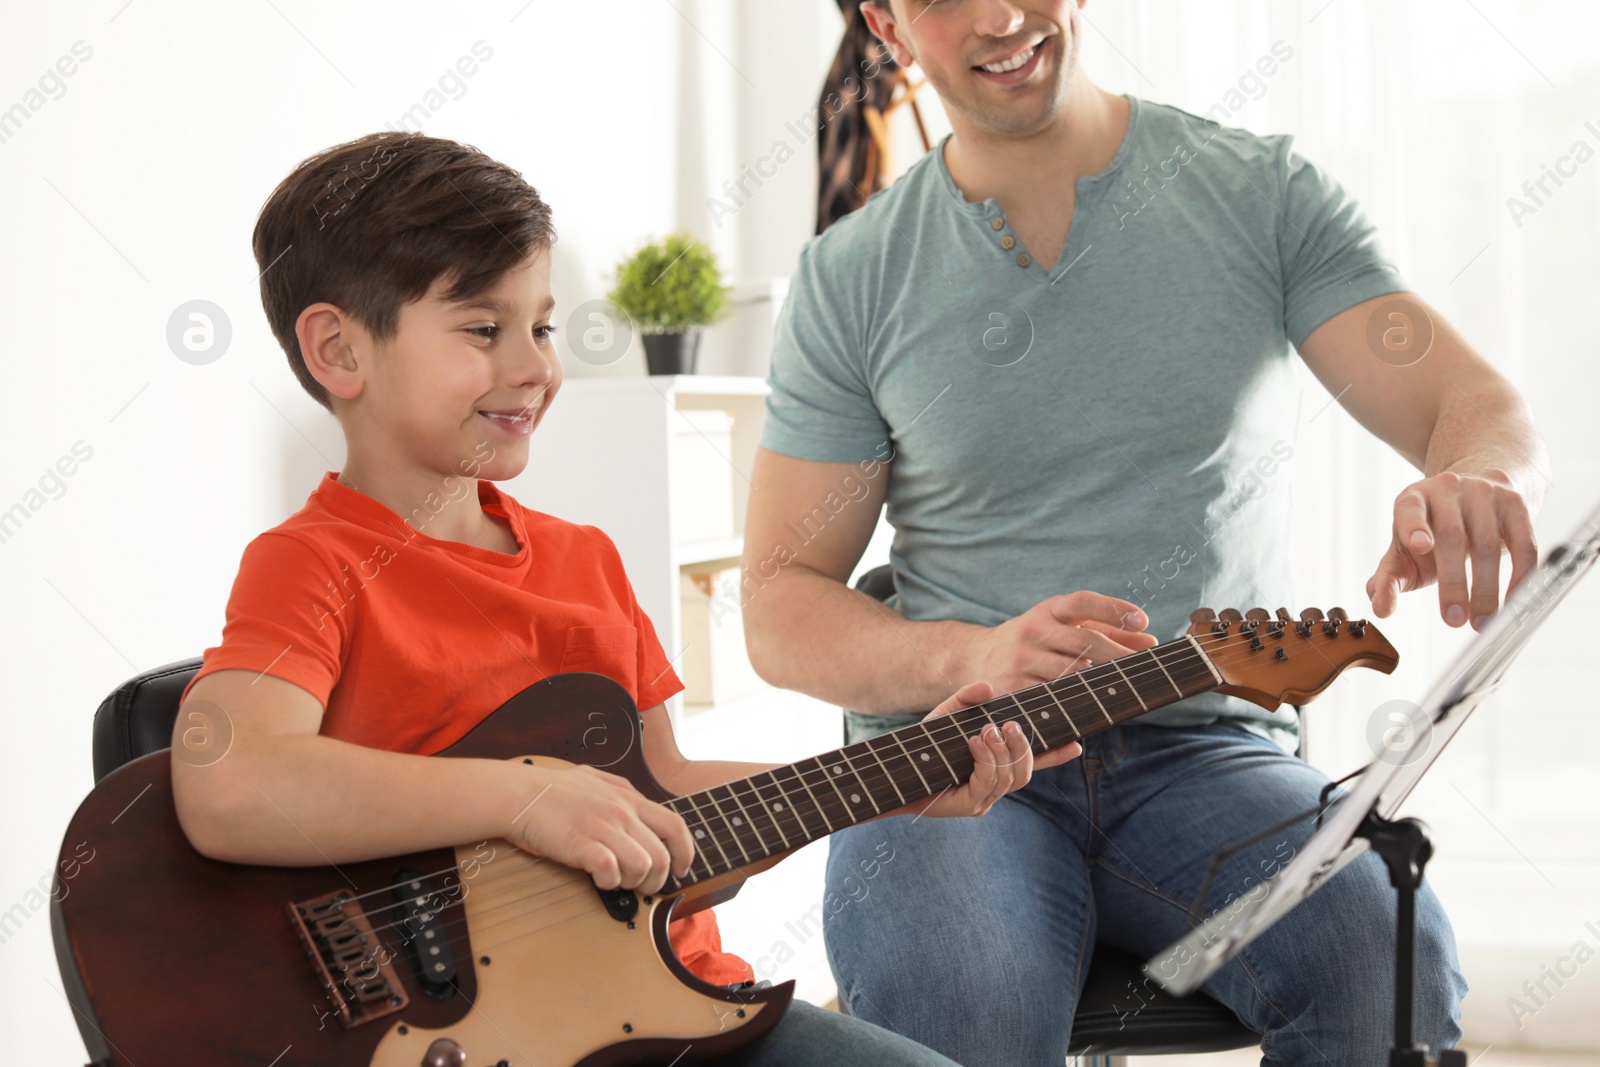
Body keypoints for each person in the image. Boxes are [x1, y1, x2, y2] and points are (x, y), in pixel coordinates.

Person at [741, 2, 1547, 1064]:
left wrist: (1472, 474)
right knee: (964, 1000)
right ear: (887, 24)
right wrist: (972, 654)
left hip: (1203, 747)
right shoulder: (851, 276)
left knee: (1380, 945)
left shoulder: (1258, 193)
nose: (996, 14)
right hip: (947, 761)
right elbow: (780, 599)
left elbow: (1471, 403)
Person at [169, 130, 1081, 1065]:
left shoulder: (585, 559)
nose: (534, 367)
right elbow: (231, 783)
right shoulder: (313, 563)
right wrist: (525, 798)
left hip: (680, 1008)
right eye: (484, 330)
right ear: (338, 348)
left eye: (543, 326)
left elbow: (671, 800)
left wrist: (902, 786)